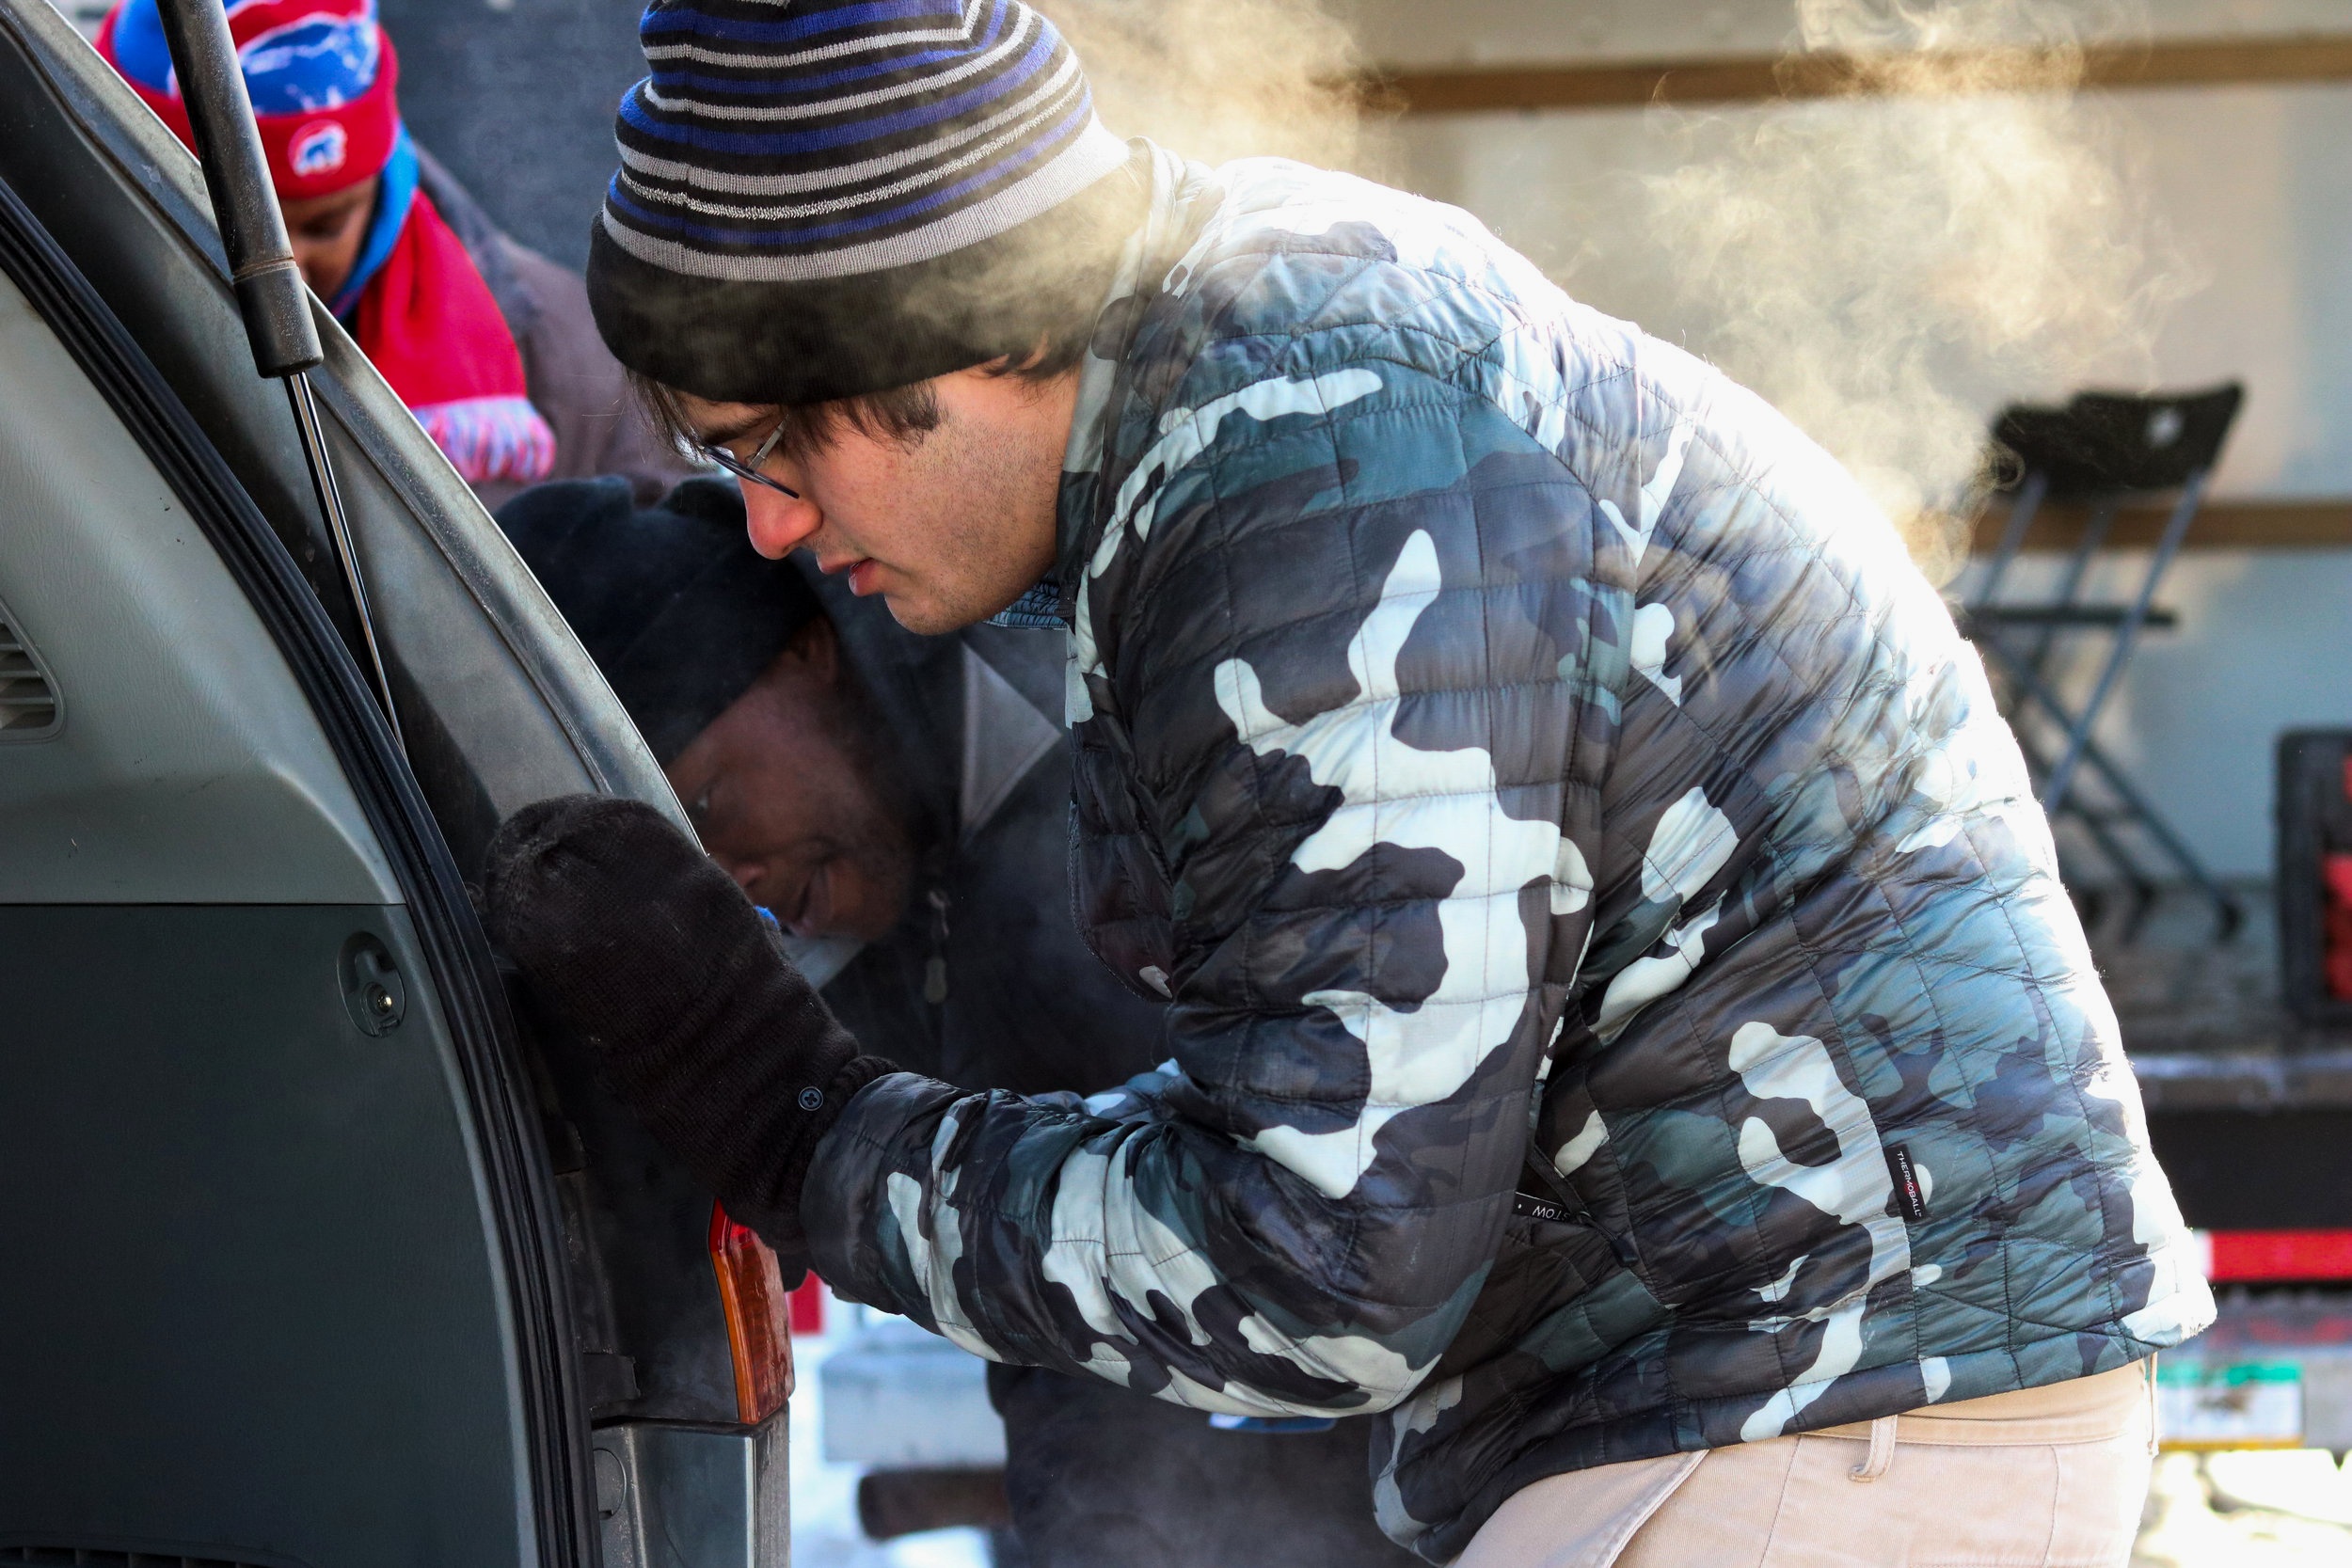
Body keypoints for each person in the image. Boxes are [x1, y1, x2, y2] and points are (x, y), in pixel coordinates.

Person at [482, 4, 2213, 1562]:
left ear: (955, 325)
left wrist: (791, 1116)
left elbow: (1328, 1264)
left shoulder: (1310, 463)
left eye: (781, 444)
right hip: (1752, 1393)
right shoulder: (1225, 392)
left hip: (1827, 1412)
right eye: (727, 461)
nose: (770, 523)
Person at [496, 474, 1421, 1567]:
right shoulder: (883, 890)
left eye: (710, 804)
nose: (734, 876)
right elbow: (1060, 1300)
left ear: (806, 651)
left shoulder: (1114, 752)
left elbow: (1294, 1246)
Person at [95, 0, 682, 503]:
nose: (286, 266)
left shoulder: (569, 355)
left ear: (377, 190)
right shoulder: (50, 310)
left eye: (324, 227)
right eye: (231, 231)